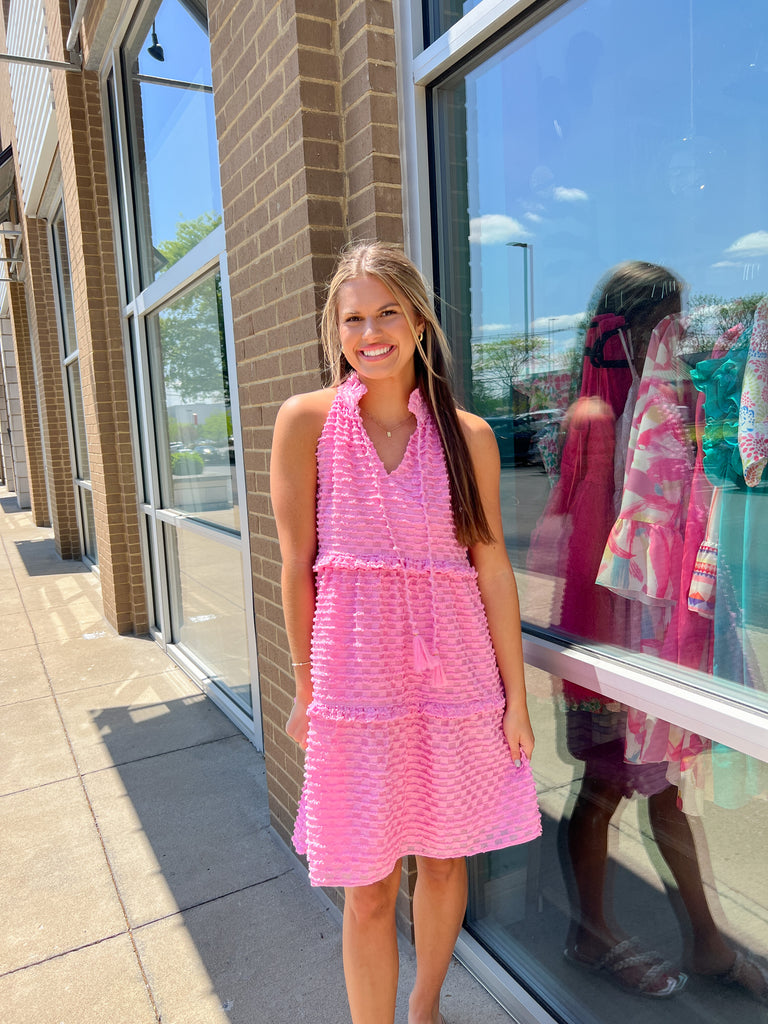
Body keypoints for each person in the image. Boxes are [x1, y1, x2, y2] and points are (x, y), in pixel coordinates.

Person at [270, 241, 541, 1024]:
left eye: (387, 312)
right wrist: (306, 686)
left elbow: (493, 568)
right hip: (356, 688)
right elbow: (296, 568)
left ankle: (425, 1009)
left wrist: (516, 700)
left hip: (456, 683)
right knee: (368, 885)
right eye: (352, 318)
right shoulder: (307, 422)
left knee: (445, 860)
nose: (370, 332)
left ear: (419, 321)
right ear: (337, 330)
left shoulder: (468, 434)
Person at [534, 261, 768, 1003]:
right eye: (666, 319)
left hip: (649, 627)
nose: (679, 332)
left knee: (665, 788)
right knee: (605, 786)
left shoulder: (652, 400)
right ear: (630, 330)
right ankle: (591, 933)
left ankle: (706, 942)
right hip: (607, 631)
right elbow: (585, 541)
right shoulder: (598, 413)